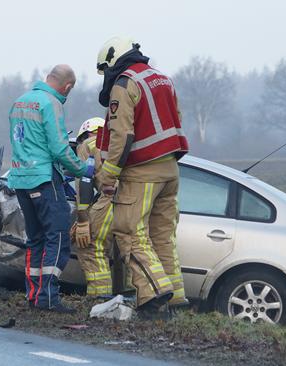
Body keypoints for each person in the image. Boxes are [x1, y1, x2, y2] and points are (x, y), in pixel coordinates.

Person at [95, 36, 189, 317]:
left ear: (112, 60)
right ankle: (174, 299)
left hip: (142, 172)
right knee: (162, 236)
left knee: (130, 233)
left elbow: (121, 135)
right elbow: (177, 119)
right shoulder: (162, 79)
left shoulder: (125, 83)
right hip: (171, 170)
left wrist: (108, 175)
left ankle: (153, 298)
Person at [8, 65, 88, 313]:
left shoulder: (20, 102)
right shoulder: (51, 103)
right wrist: (82, 169)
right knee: (58, 237)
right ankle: (49, 298)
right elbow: (59, 148)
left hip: (20, 180)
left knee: (36, 239)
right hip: (43, 180)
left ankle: (33, 295)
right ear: (68, 87)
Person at [72, 117, 114, 297]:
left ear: (86, 134)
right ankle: (127, 300)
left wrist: (82, 218)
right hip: (132, 201)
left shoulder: (88, 145)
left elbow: (85, 179)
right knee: (126, 253)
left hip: (109, 200)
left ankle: (99, 300)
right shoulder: (116, 144)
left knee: (91, 248)